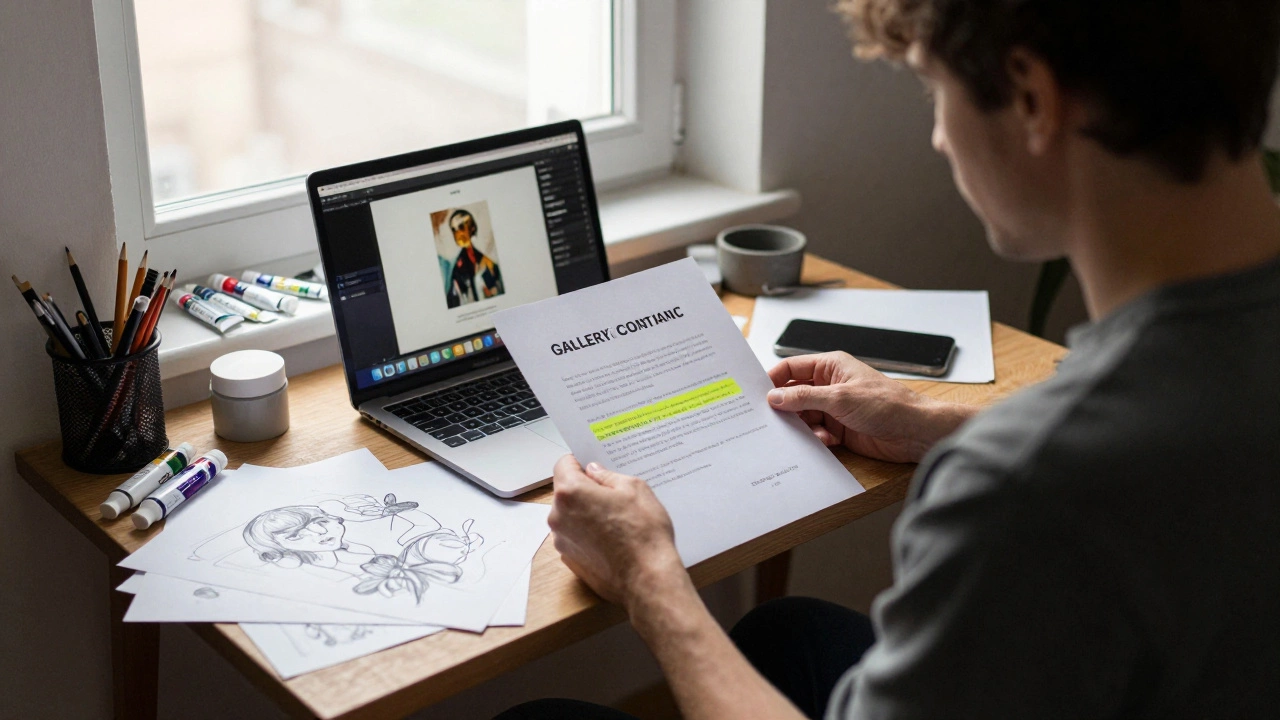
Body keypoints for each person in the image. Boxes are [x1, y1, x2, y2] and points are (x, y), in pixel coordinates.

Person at [498, 1, 1280, 718]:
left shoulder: (1019, 493)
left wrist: (649, 582)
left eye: (934, 91)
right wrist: (934, 423)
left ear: (1033, 99)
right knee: (788, 636)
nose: (939, 136)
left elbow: (1078, 476)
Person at [444, 208, 504, 308]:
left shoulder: (487, 262)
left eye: (461, 227)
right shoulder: (456, 268)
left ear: (471, 227)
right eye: (454, 230)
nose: (457, 234)